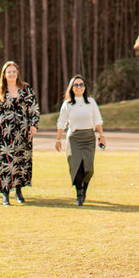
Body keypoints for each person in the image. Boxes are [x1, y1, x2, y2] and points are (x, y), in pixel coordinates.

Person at [0, 61, 40, 205]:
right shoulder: (0, 90)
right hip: (4, 132)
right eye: (9, 72)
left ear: (17, 73)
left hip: (22, 131)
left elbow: (33, 108)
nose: (12, 74)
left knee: (20, 161)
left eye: (14, 71)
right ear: (4, 74)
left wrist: (34, 125)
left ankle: (19, 192)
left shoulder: (26, 89)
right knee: (5, 162)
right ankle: (5, 194)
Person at [55, 75, 106, 206]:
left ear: (85, 87)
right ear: (71, 88)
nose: (79, 87)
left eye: (81, 84)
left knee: (88, 168)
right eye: (76, 85)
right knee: (76, 165)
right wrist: (58, 139)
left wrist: (102, 136)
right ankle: (79, 194)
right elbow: (62, 122)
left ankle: (84, 191)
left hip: (89, 137)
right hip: (74, 138)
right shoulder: (68, 104)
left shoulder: (91, 102)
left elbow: (97, 119)